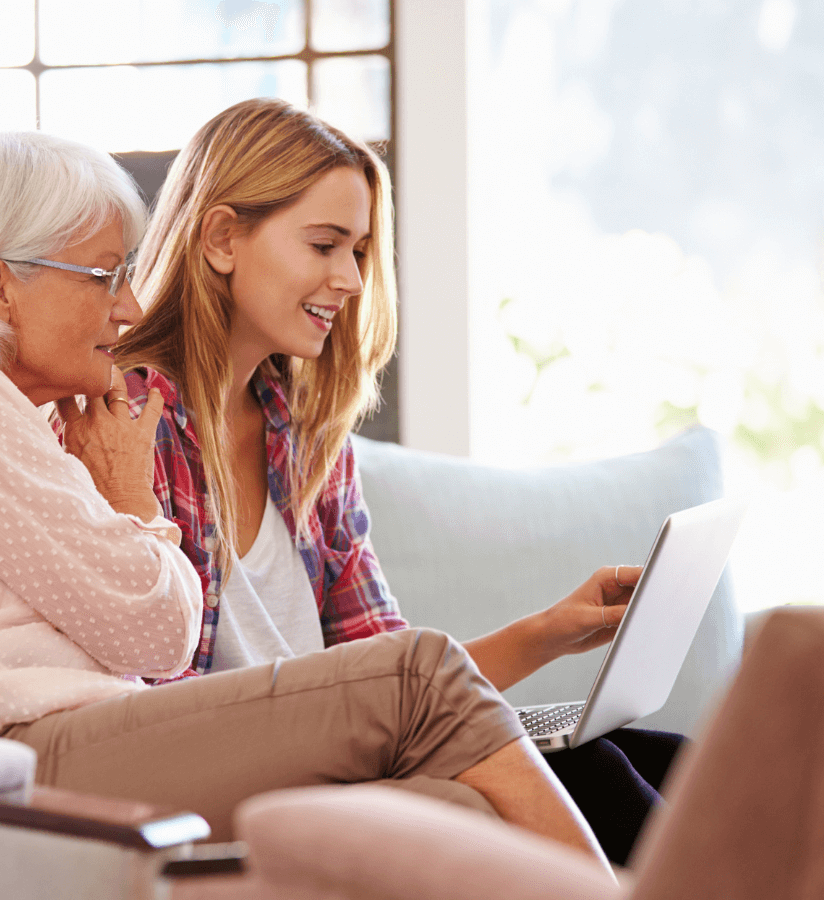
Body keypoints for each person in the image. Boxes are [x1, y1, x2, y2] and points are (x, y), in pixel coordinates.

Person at [0, 127, 610, 867]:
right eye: (102, 277)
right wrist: (131, 494)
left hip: (18, 758)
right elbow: (159, 633)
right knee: (420, 677)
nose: (127, 304)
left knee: (451, 811)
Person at [114, 97, 683, 865]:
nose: (349, 279)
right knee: (598, 776)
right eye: (325, 245)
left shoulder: (309, 445)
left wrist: (549, 633)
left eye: (358, 250)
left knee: (661, 757)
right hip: (228, 775)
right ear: (220, 237)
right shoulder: (126, 421)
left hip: (335, 751)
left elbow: (395, 680)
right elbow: (146, 707)